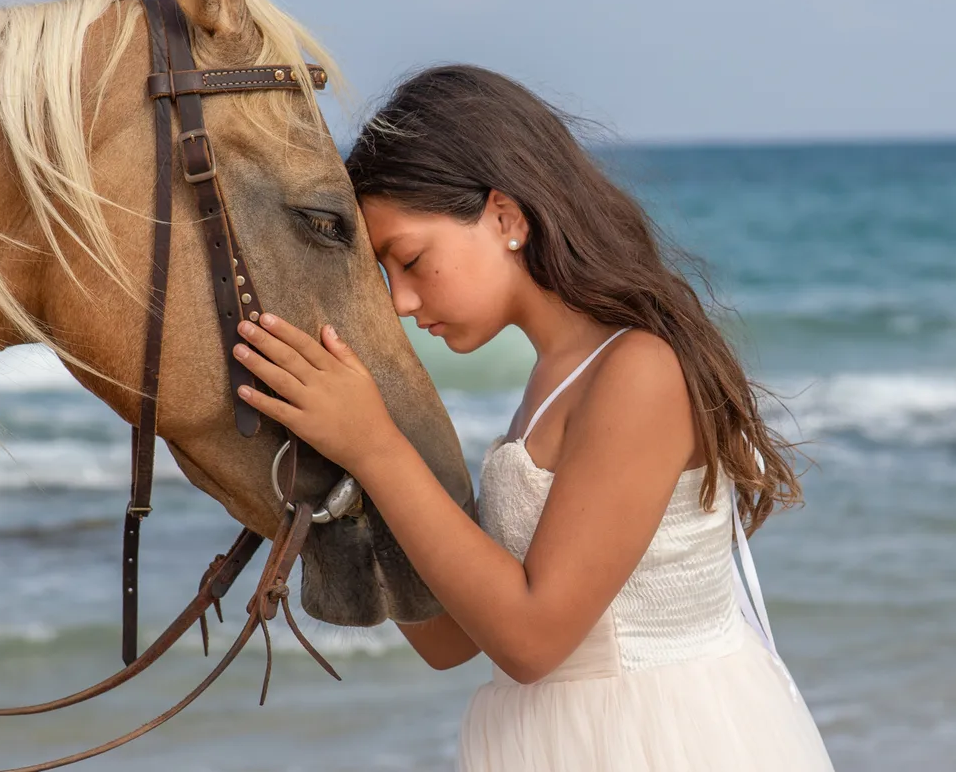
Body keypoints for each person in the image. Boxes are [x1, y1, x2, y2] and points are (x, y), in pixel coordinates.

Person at [230, 65, 834, 771]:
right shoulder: (547, 387)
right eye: (386, 277)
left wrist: (376, 448)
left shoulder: (638, 371)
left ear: (506, 217)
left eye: (413, 260)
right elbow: (451, 639)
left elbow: (533, 642)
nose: (400, 302)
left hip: (657, 742)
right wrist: (326, 474)